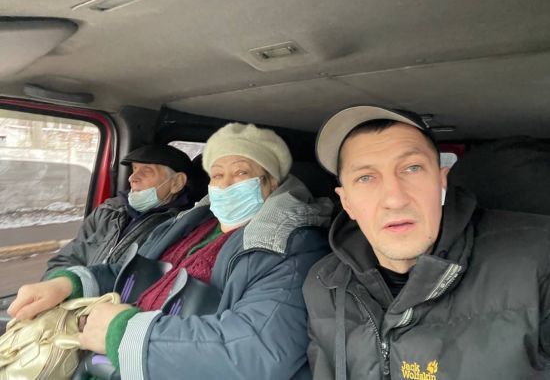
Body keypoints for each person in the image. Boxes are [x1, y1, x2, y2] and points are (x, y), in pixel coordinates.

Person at [9, 123, 333, 380]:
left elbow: (256, 350)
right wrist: (68, 283)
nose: (225, 185)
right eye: (217, 174)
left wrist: (124, 333)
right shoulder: (192, 221)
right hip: (111, 361)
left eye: (241, 173)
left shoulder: (292, 246)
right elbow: (135, 272)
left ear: (272, 182)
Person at [303, 105, 550, 379]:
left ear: (442, 182)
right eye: (365, 177)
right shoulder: (326, 285)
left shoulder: (538, 263)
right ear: (346, 201)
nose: (394, 199)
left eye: (412, 168)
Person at [45, 144, 194, 272]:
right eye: (134, 169)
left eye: (147, 170)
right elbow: (69, 256)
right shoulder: (108, 211)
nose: (132, 178)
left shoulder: (182, 228)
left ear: (176, 183)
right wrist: (57, 283)